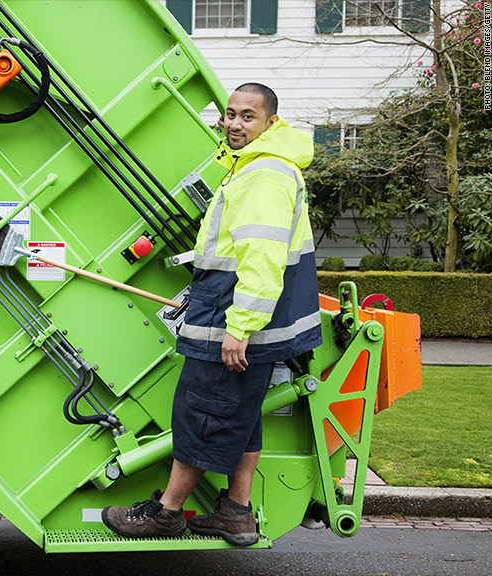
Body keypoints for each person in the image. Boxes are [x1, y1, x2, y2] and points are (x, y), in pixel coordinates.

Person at [102, 83, 322, 546]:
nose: (235, 124)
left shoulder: (263, 175)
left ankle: (166, 513)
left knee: (203, 412)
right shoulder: (259, 168)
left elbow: (261, 259)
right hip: (242, 314)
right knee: (241, 416)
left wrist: (239, 328)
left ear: (271, 123)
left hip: (234, 317)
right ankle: (236, 513)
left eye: (248, 117)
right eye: (230, 114)